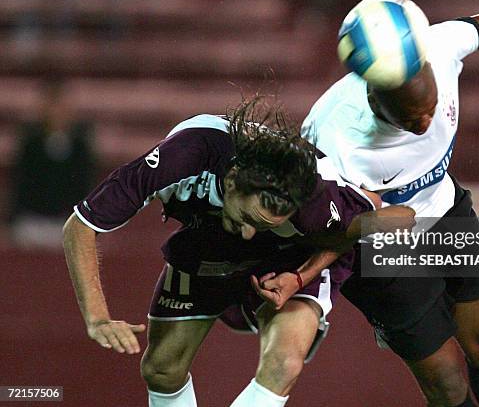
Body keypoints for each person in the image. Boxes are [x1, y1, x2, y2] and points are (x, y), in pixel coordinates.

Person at [254, 6, 479, 406]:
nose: (424, 121)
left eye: (430, 107)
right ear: (374, 99)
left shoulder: (436, 49)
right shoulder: (334, 136)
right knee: (446, 384)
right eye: (408, 117)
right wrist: (302, 277)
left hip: (444, 212)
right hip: (376, 250)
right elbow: (325, 227)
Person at [63, 98, 413, 407]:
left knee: (284, 362)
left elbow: (384, 217)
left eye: (264, 222)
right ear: (230, 181)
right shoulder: (182, 157)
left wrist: (300, 277)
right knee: (161, 369)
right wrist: (97, 318)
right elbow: (80, 224)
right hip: (208, 240)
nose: (249, 231)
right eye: (248, 217)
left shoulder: (314, 198)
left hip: (288, 254)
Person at [10, 79, 96, 248]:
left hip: (68, 221)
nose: (57, 112)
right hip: (32, 223)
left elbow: (85, 185)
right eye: (53, 106)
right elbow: (20, 183)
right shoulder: (30, 143)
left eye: (61, 106)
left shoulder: (81, 146)